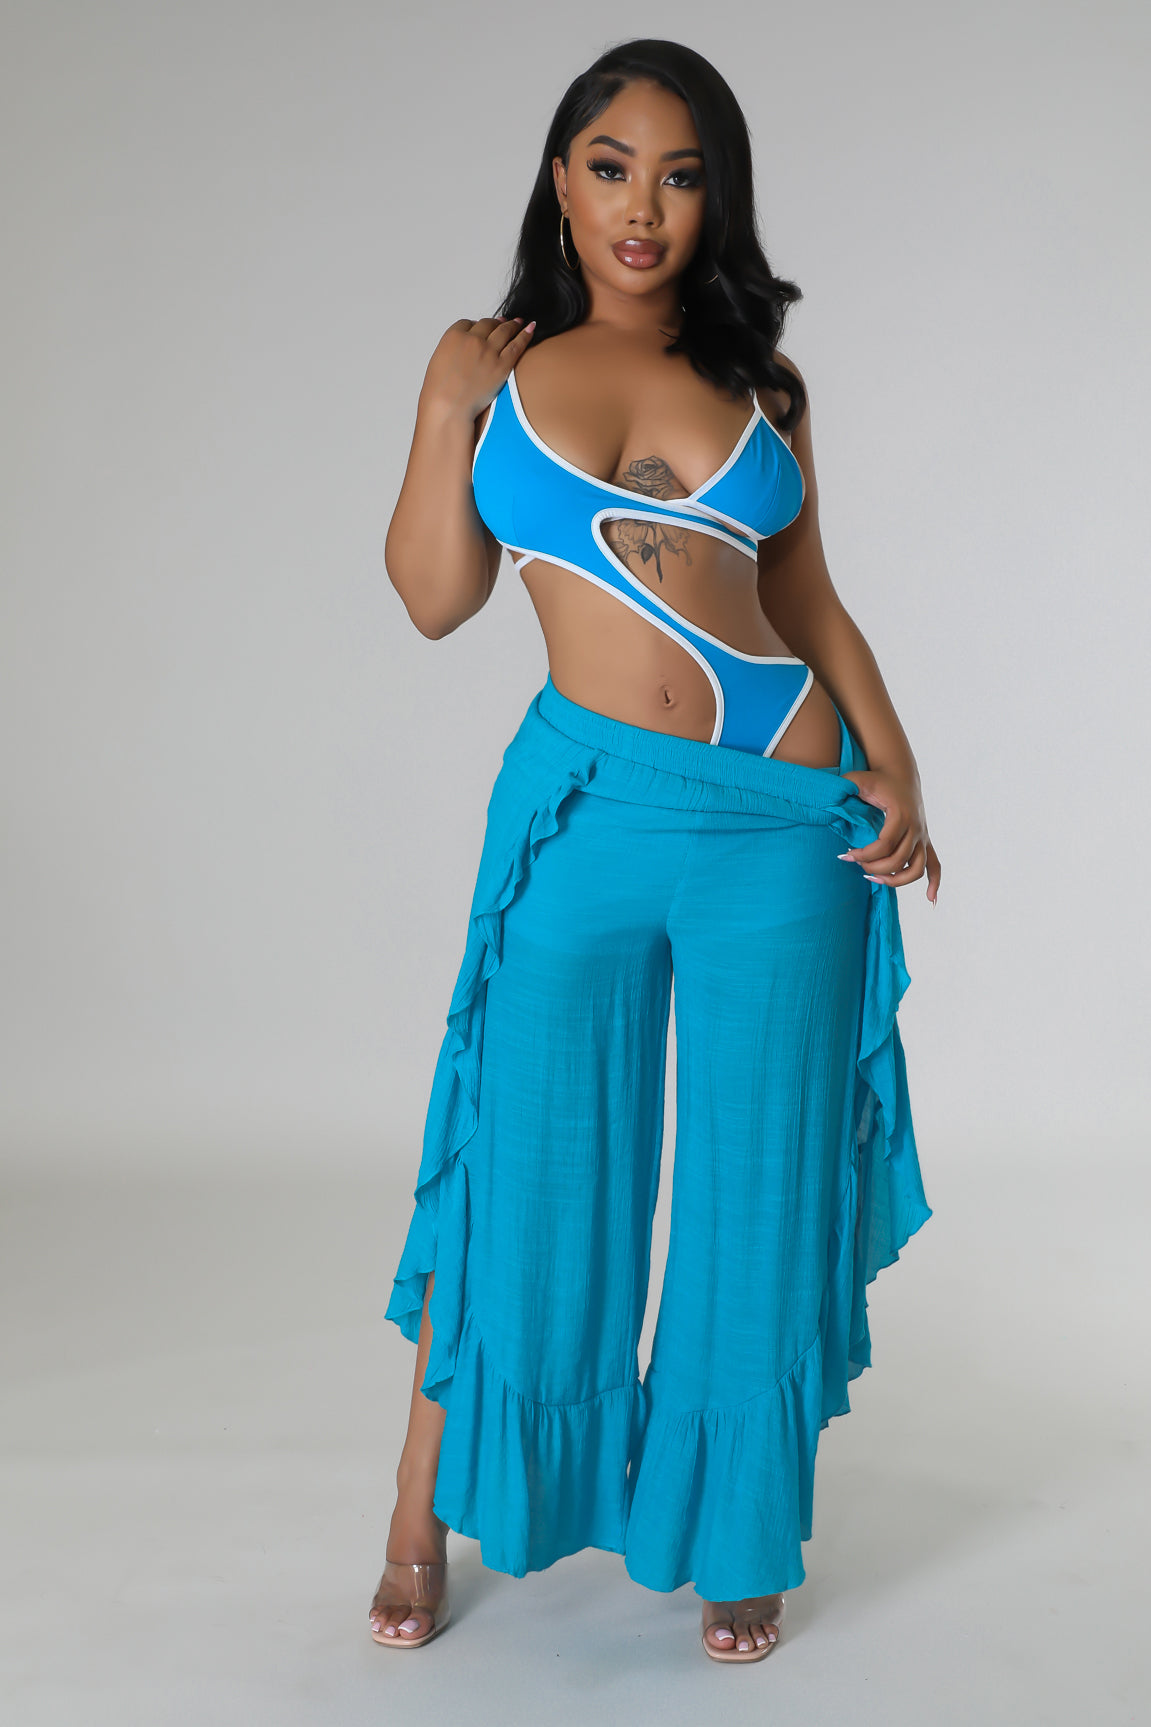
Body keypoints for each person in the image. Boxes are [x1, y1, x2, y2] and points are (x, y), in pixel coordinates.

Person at [369, 37, 939, 1664]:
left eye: (681, 177)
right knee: (515, 1160)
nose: (644, 207)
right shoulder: (498, 371)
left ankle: (740, 1531)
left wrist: (896, 760)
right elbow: (433, 599)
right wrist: (440, 402)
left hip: (783, 823)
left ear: (717, 199)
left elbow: (805, 597)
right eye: (612, 168)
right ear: (561, 181)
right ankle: (417, 1520)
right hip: (591, 813)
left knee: (761, 1189)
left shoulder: (767, 387)